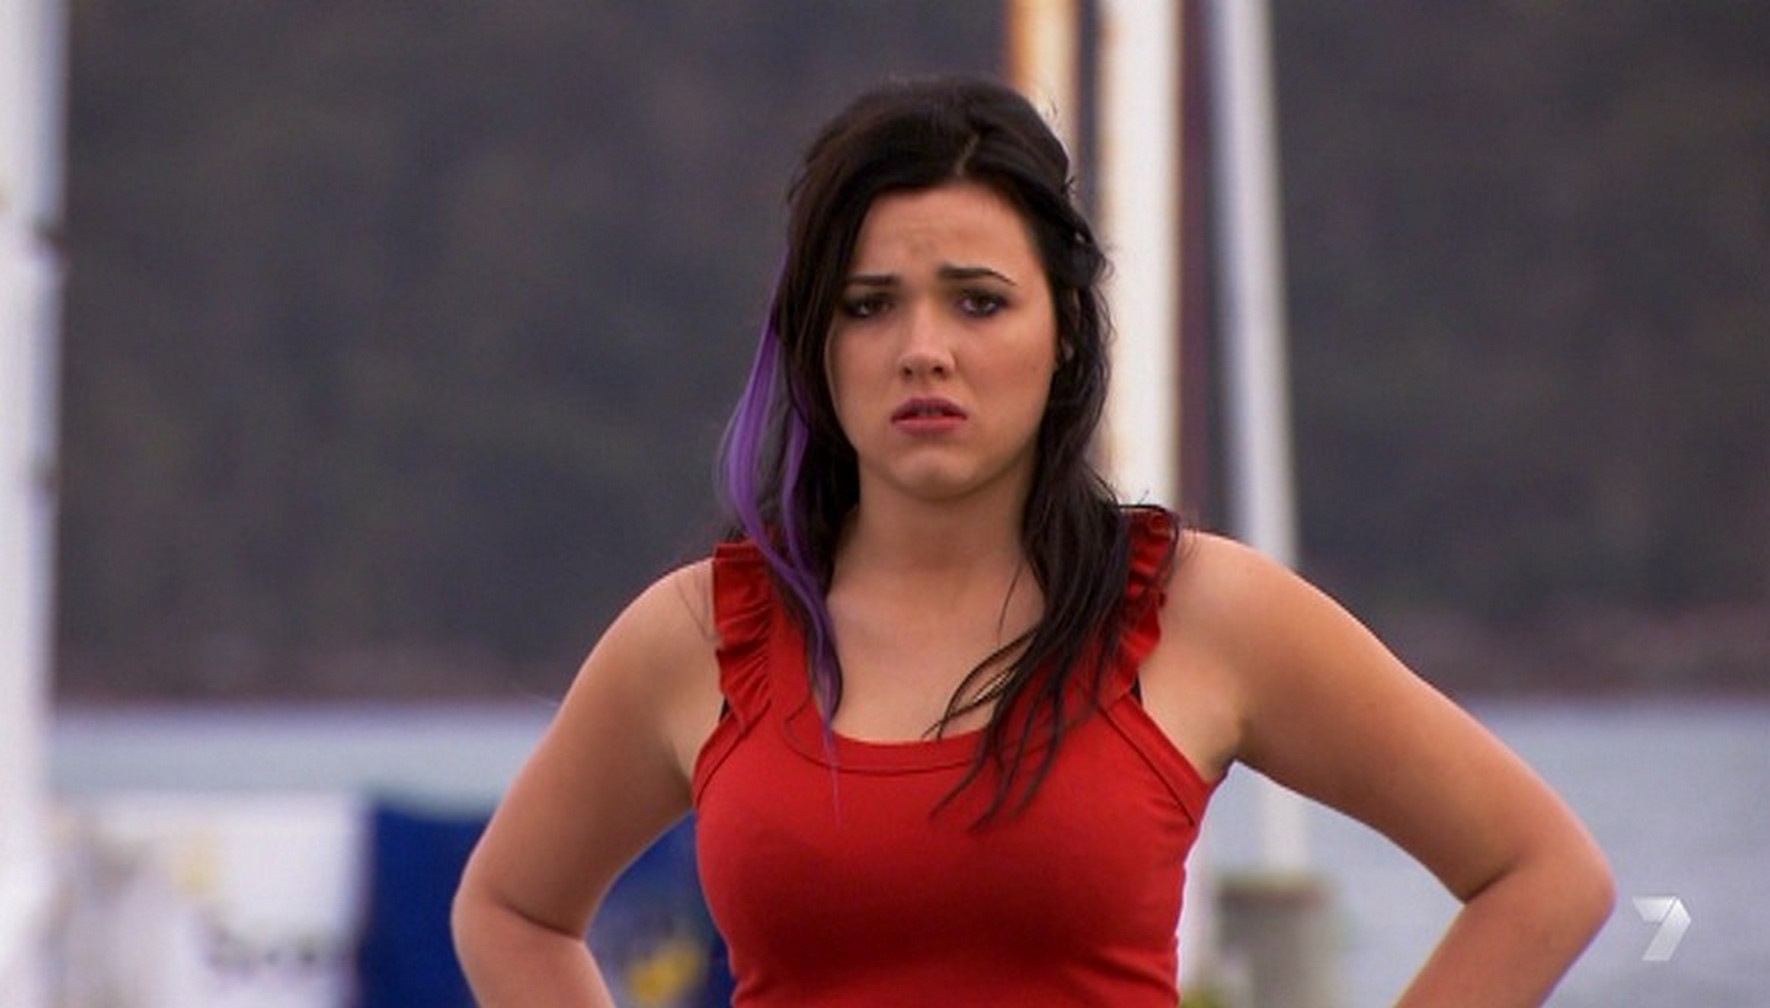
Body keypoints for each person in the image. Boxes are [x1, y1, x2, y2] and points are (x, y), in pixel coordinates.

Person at [452, 75, 1613, 1007]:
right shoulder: (701, 634)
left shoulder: (1199, 611)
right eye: (869, 304)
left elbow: (1542, 875)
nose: (924, 348)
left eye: (978, 300)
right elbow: (510, 911)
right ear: (817, 344)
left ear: (1064, 332)